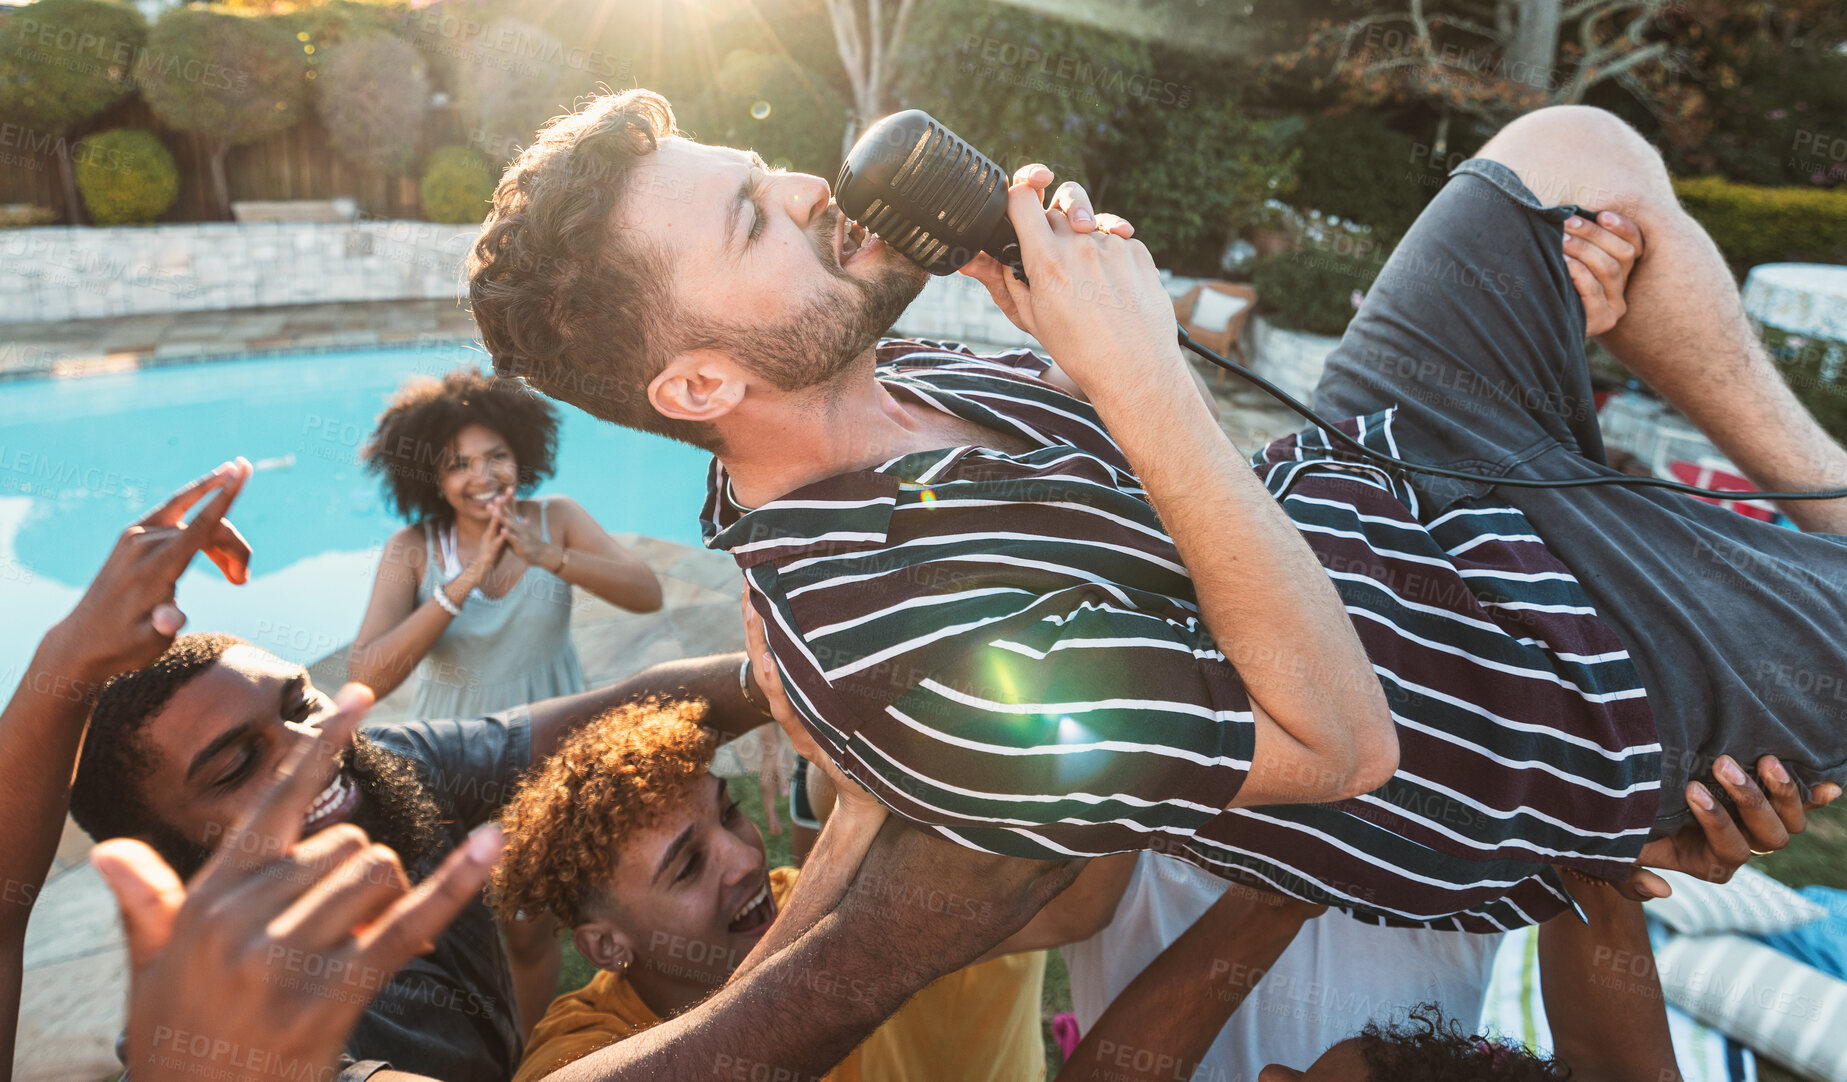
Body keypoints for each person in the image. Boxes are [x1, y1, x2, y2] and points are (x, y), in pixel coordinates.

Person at [466, 89, 1847, 931]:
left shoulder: (914, 364)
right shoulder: (887, 662)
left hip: (1397, 485)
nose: (813, 187)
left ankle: (1823, 502)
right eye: (754, 222)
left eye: (760, 168)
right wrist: (1132, 366)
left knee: (1571, 149)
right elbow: (1337, 740)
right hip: (1524, 694)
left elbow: (1208, 484)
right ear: (699, 377)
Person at [493, 697, 1046, 1082]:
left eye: (729, 814)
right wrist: (848, 830)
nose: (747, 858)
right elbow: (731, 1041)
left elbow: (1076, 913)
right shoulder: (575, 1046)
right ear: (606, 946)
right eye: (686, 867)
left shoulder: (789, 893)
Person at [348, 366, 663, 1033]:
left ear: (523, 453)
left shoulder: (558, 518)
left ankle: (529, 1052)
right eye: (458, 464)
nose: (483, 475)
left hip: (546, 743)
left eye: (496, 455)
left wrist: (550, 557)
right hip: (449, 759)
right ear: (431, 478)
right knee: (453, 925)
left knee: (526, 927)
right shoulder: (411, 551)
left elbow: (646, 593)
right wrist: (459, 586)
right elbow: (368, 674)